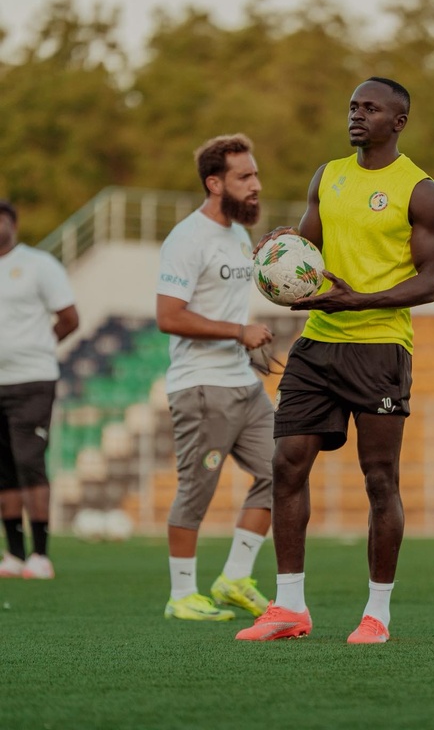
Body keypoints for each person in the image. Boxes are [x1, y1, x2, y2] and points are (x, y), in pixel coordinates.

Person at [236, 77, 434, 644]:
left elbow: (432, 283)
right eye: (353, 106)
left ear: (398, 121)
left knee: (379, 479)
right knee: (286, 463)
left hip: (380, 345)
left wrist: (363, 299)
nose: (357, 116)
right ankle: (289, 608)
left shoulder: (421, 190)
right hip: (319, 341)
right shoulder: (327, 176)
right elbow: (306, 263)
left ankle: (377, 614)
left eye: (371, 108)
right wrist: (278, 252)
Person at [156, 133, 275, 622]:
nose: (256, 185)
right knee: (196, 492)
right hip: (202, 387)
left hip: (244, 385)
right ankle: (182, 595)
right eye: (244, 177)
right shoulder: (187, 239)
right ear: (214, 182)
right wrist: (238, 332)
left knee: (282, 472)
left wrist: (248, 346)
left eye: (255, 175)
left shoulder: (238, 235)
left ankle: (234, 579)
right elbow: (168, 315)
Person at [0, 199, 79, 580]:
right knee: (4, 471)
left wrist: (38, 349)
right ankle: (14, 555)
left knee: (30, 463)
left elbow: (69, 318)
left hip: (32, 380)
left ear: (13, 222)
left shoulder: (38, 265)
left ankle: (41, 555)